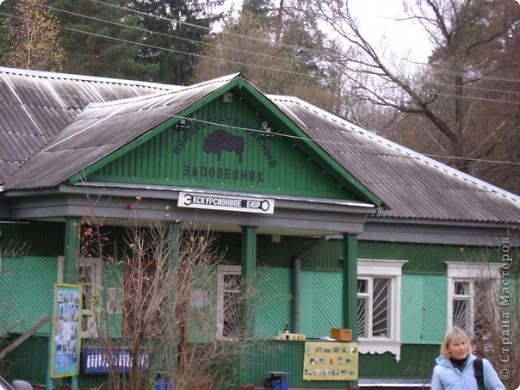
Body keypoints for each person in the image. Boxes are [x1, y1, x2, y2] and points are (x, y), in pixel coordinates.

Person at [431, 327, 505, 389]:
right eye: (456, 345)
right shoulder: (439, 371)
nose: (461, 348)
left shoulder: (482, 365)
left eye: (463, 343)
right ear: (448, 348)